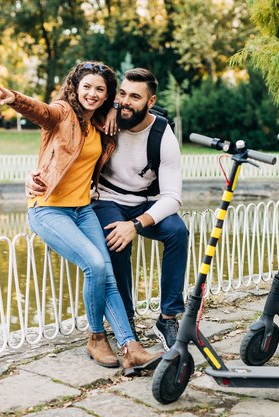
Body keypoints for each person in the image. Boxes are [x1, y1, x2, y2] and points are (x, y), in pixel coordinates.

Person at [0, 61, 162, 375]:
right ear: (75, 88)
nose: (92, 94)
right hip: (48, 209)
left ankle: (131, 347)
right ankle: (95, 337)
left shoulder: (100, 121)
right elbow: (41, 111)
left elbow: (135, 105)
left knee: (106, 271)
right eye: (87, 87)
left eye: (100, 89)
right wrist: (14, 99)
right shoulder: (62, 112)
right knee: (94, 264)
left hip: (82, 209)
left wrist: (112, 107)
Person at [27, 68, 188, 351]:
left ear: (151, 102)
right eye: (122, 95)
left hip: (143, 203)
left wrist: (137, 224)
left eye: (135, 97)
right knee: (115, 241)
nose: (126, 102)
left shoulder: (163, 135)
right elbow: (59, 142)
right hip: (108, 199)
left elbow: (173, 197)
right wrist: (33, 175)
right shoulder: (104, 119)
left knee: (178, 232)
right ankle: (124, 319)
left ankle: (168, 317)